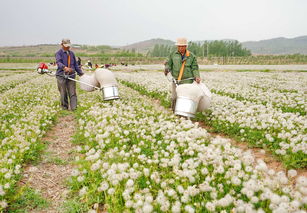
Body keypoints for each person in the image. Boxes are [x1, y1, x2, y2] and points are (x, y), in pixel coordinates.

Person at [164, 38, 201, 111]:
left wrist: (197, 76)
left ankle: (185, 112)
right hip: (176, 80)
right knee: (175, 97)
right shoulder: (173, 55)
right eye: (179, 46)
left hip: (187, 82)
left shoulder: (191, 56)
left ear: (185, 46)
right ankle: (174, 111)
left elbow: (195, 68)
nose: (180, 48)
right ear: (177, 46)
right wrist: (167, 69)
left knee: (186, 98)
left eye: (182, 46)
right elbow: (168, 64)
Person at [55, 38, 84, 110]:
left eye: (68, 45)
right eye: (66, 45)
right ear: (62, 45)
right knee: (63, 92)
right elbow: (58, 62)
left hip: (71, 75)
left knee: (72, 92)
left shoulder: (72, 53)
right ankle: (64, 107)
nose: (68, 47)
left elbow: (75, 65)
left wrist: (81, 73)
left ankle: (74, 108)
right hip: (61, 75)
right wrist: (65, 68)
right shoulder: (58, 53)